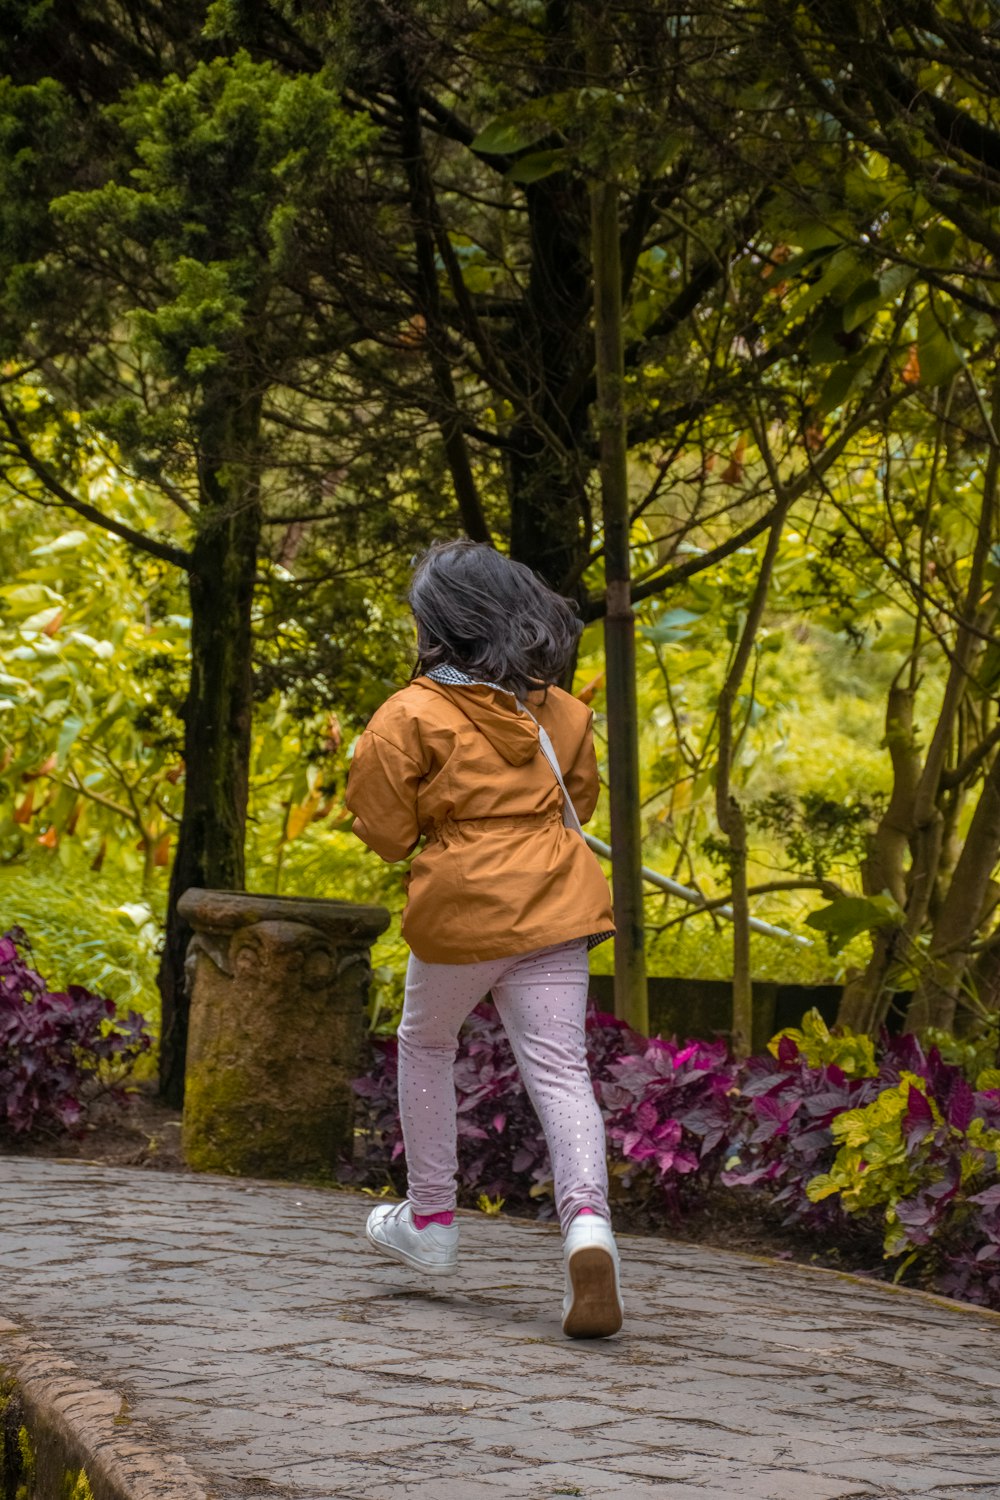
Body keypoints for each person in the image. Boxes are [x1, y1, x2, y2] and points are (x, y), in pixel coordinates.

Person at [344, 539, 623, 1338]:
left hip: (463, 914)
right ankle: (589, 1228)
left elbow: (389, 832)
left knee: (427, 1043)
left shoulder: (411, 713)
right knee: (563, 1073)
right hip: (556, 903)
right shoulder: (561, 710)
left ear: (439, 623)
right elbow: (582, 802)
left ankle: (431, 1223)